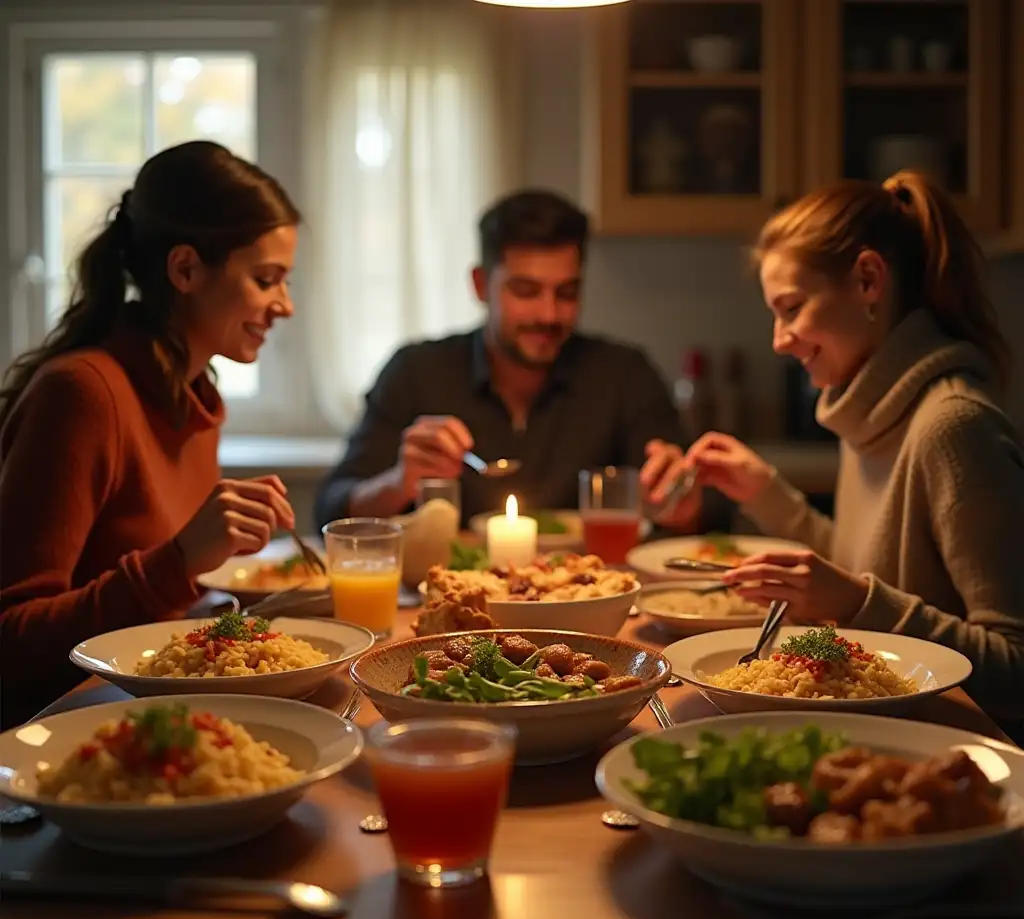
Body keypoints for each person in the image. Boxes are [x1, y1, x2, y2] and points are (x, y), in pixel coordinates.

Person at [684, 170, 1024, 733]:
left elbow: (1015, 670)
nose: (778, 338)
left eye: (791, 307)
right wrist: (764, 491)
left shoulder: (955, 427)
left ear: (868, 280)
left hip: (948, 753)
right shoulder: (869, 408)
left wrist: (857, 602)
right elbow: (858, 574)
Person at [0, 141, 301, 727]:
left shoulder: (192, 394)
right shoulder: (81, 393)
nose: (284, 305)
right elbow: (9, 639)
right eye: (267, 279)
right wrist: (179, 560)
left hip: (149, 715)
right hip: (58, 739)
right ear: (185, 269)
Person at [314, 189, 725, 532]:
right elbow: (330, 512)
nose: (548, 314)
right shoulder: (416, 372)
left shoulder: (623, 374)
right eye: (526, 291)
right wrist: (399, 483)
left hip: (589, 599)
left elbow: (716, 511)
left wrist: (683, 500)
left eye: (566, 292)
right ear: (480, 285)